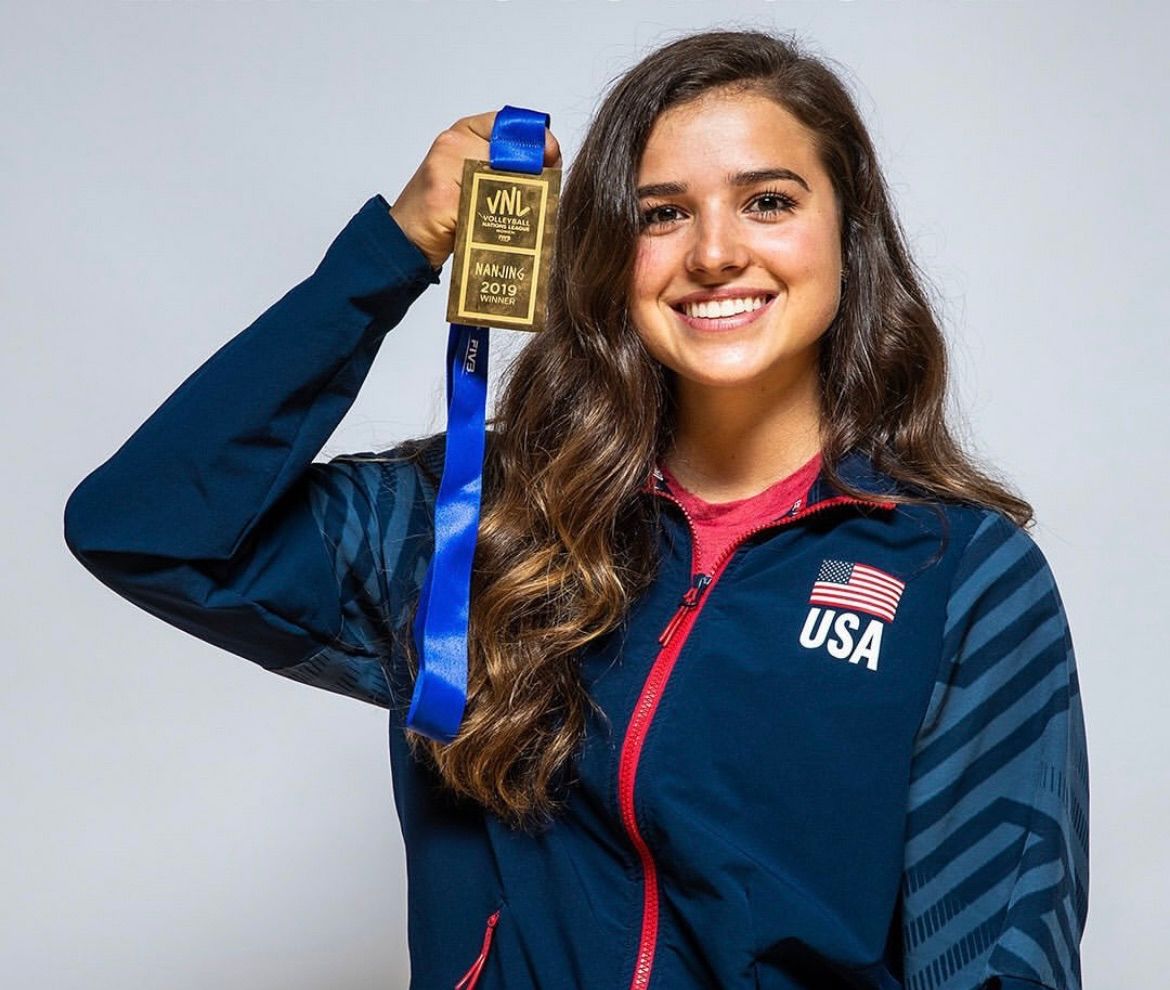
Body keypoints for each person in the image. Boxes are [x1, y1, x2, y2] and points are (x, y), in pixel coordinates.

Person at [63, 28, 1089, 990]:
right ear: (610, 255)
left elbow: (998, 956)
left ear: (849, 236)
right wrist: (394, 253)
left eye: (769, 201)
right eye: (662, 212)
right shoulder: (477, 528)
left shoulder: (961, 577)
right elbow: (147, 526)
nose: (715, 252)